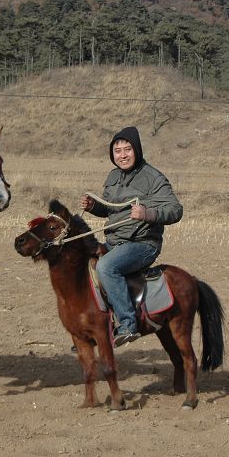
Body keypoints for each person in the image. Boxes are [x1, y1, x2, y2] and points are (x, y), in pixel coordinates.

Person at [79, 126, 183, 347]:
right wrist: (93, 206)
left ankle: (127, 323)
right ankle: (95, 328)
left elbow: (175, 210)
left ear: (137, 150)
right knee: (81, 263)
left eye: (128, 149)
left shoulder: (153, 177)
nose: (123, 155)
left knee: (106, 267)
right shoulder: (113, 176)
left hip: (143, 244)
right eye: (118, 150)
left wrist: (148, 213)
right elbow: (111, 210)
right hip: (115, 241)